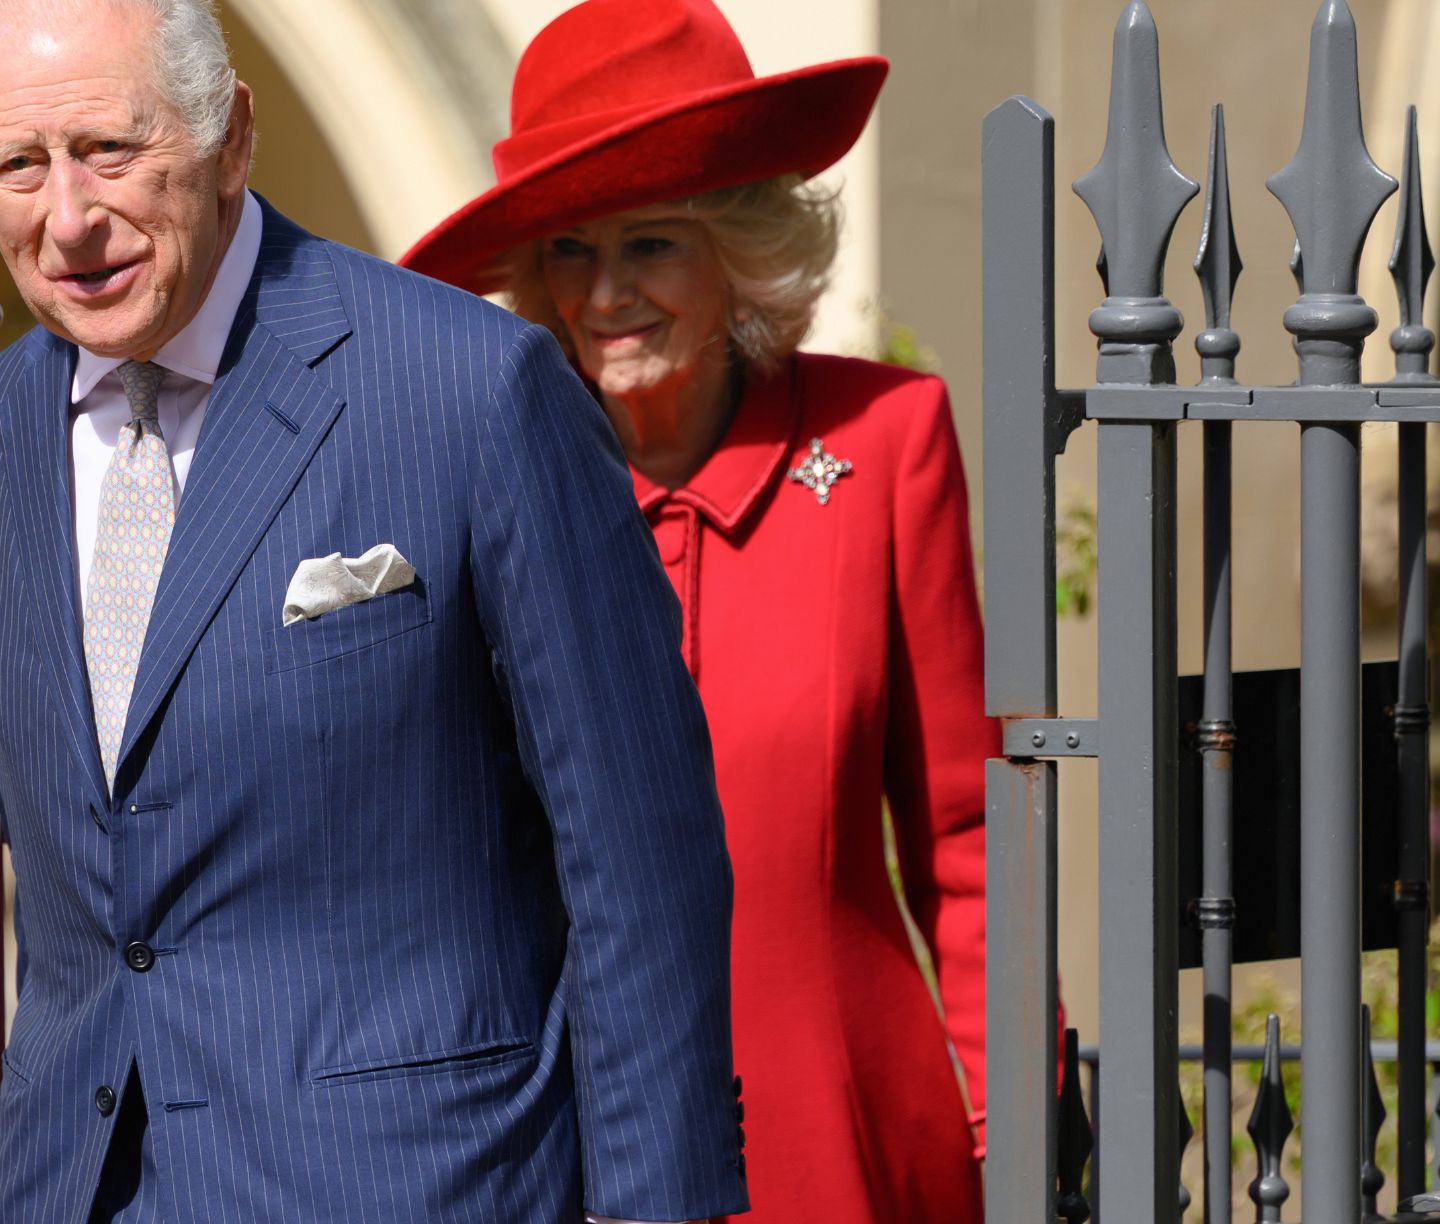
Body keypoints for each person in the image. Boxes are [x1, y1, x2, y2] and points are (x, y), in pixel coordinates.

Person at [0, 1, 746, 1220]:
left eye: (108, 149)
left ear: (232, 139)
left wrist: (650, 1206)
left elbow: (638, 857)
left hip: (419, 1185)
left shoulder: (470, 392)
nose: (67, 219)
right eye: (17, 166)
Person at [401, 1, 992, 1219]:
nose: (606, 291)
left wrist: (1005, 1120)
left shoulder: (882, 445)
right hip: (569, 1144)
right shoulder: (481, 479)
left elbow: (966, 835)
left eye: (652, 243)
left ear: (741, 249)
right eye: (569, 248)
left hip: (848, 1134)